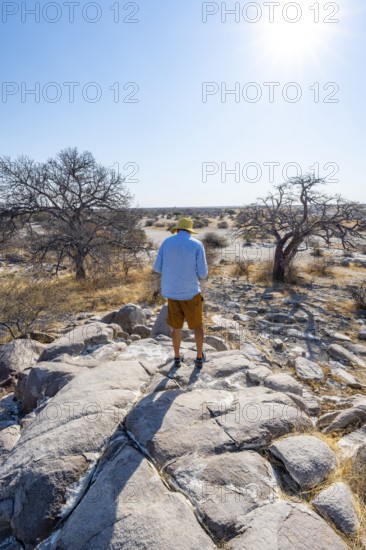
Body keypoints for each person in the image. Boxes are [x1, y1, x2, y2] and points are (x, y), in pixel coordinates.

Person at [153, 217, 208, 368]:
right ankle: (198, 357)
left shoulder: (166, 242)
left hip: (172, 293)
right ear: (190, 230)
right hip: (191, 292)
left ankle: (177, 358)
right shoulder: (197, 245)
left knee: (176, 327)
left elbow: (157, 268)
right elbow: (203, 273)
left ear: (177, 229)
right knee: (197, 326)